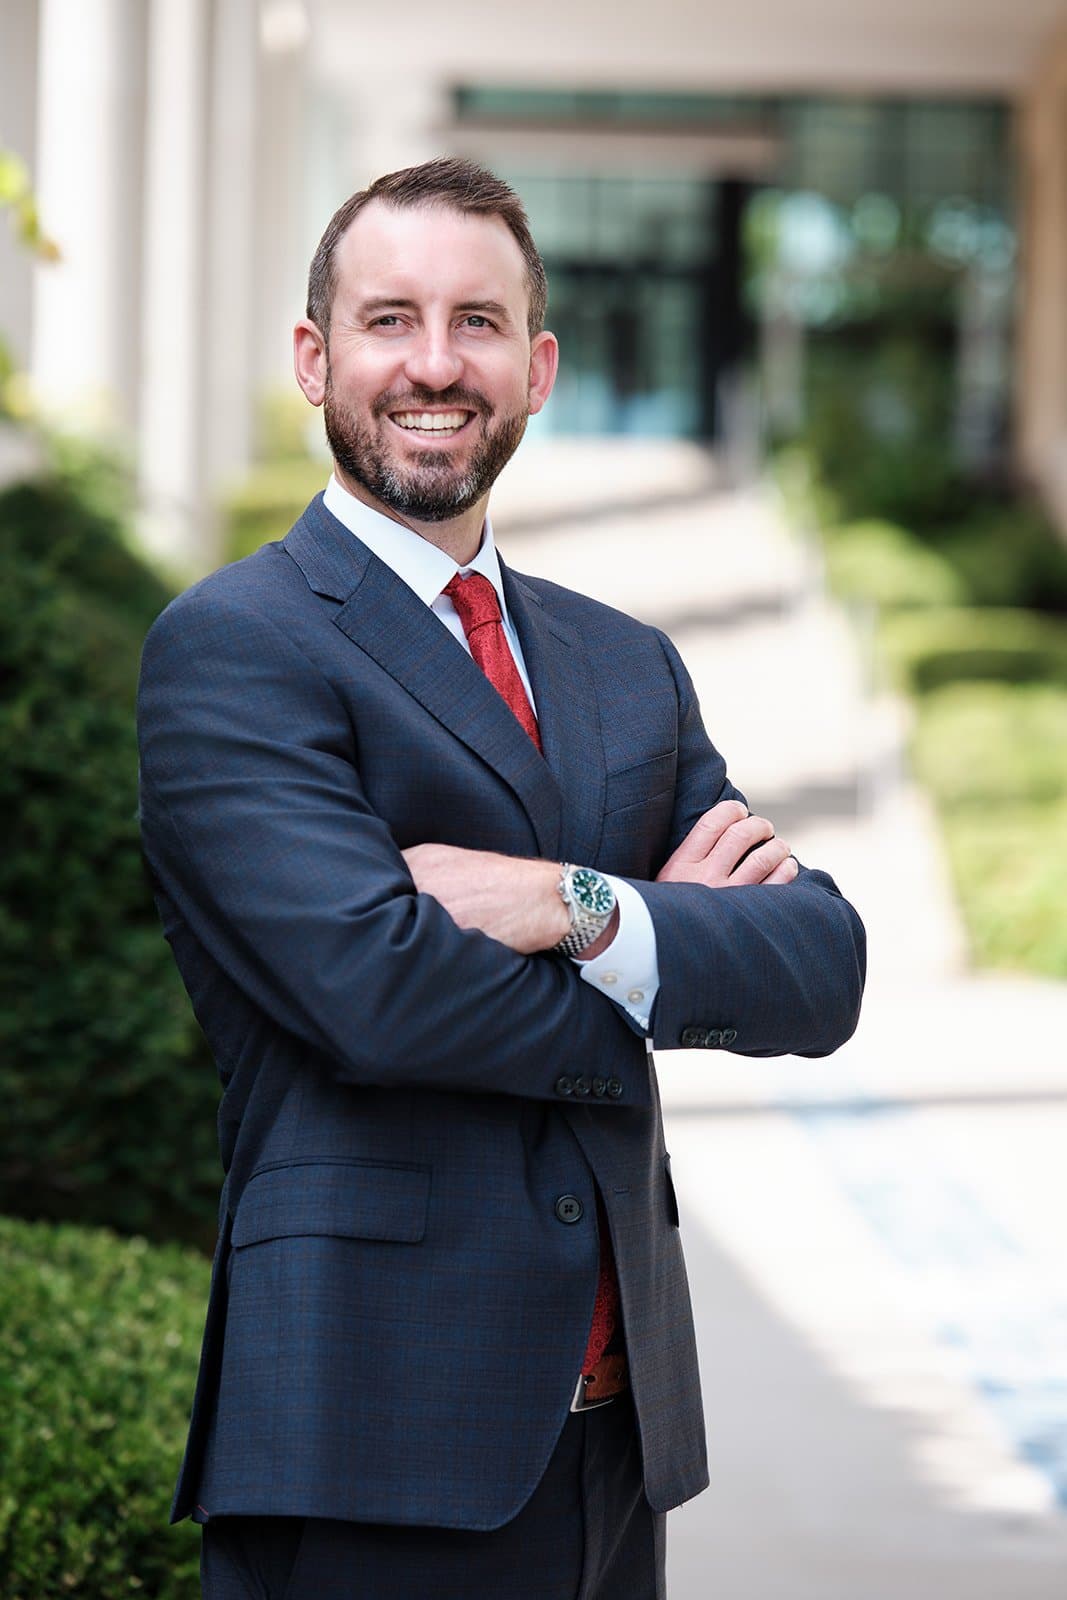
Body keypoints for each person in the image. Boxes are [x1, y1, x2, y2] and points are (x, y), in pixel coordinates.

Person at [137, 157, 865, 1600]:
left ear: (536, 368)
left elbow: (822, 968)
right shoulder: (239, 646)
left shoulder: (622, 664)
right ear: (314, 357)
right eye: (388, 318)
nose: (432, 364)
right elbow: (375, 995)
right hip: (372, 1438)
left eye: (477, 324)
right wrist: (667, 956)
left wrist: (571, 906)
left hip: (615, 1448)